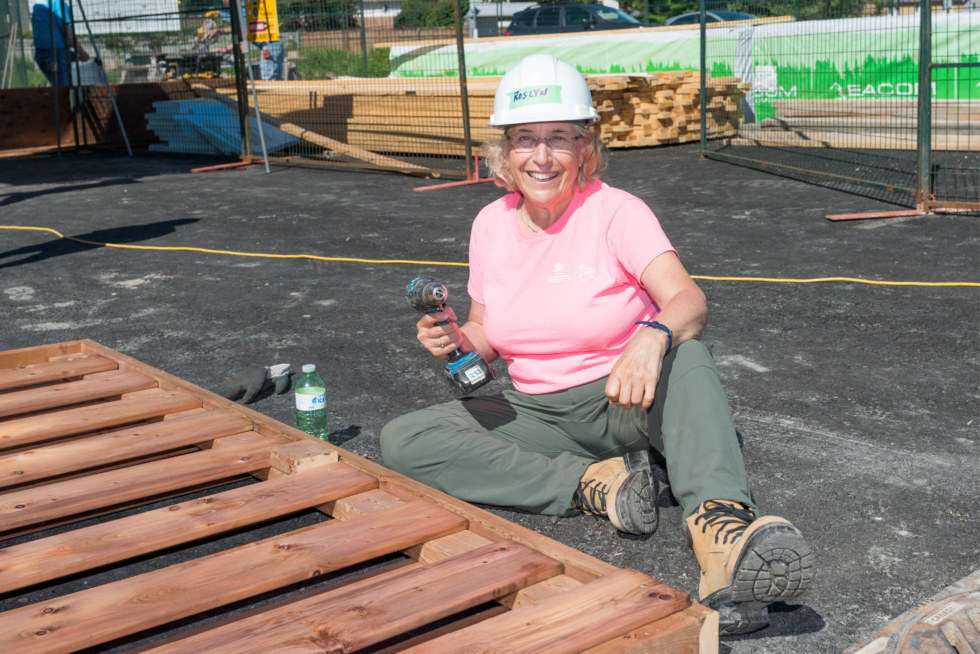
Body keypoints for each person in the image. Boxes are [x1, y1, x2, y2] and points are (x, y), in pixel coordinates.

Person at [381, 53, 814, 637]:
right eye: (525, 138)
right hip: (535, 412)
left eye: (559, 138)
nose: (541, 156)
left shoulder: (617, 212)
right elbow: (486, 333)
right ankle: (595, 485)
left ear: (585, 146)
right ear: (505, 152)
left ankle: (722, 538)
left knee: (688, 355)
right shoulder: (489, 224)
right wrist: (456, 340)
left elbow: (689, 301)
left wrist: (653, 335)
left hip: (624, 399)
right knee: (405, 439)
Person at [204, 0, 284, 81]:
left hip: (269, 47)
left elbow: (246, 33)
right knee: (276, 80)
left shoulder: (245, 7)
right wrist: (219, 31)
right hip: (272, 46)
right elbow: (238, 28)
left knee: (269, 81)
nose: (226, 5)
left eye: (227, 2)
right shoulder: (245, 6)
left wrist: (226, 49)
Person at [31, 0, 89, 87]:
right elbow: (68, 34)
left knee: (57, 87)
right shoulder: (58, 3)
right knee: (64, 89)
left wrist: (68, 54)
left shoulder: (38, 3)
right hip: (56, 53)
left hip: (41, 53)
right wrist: (81, 52)